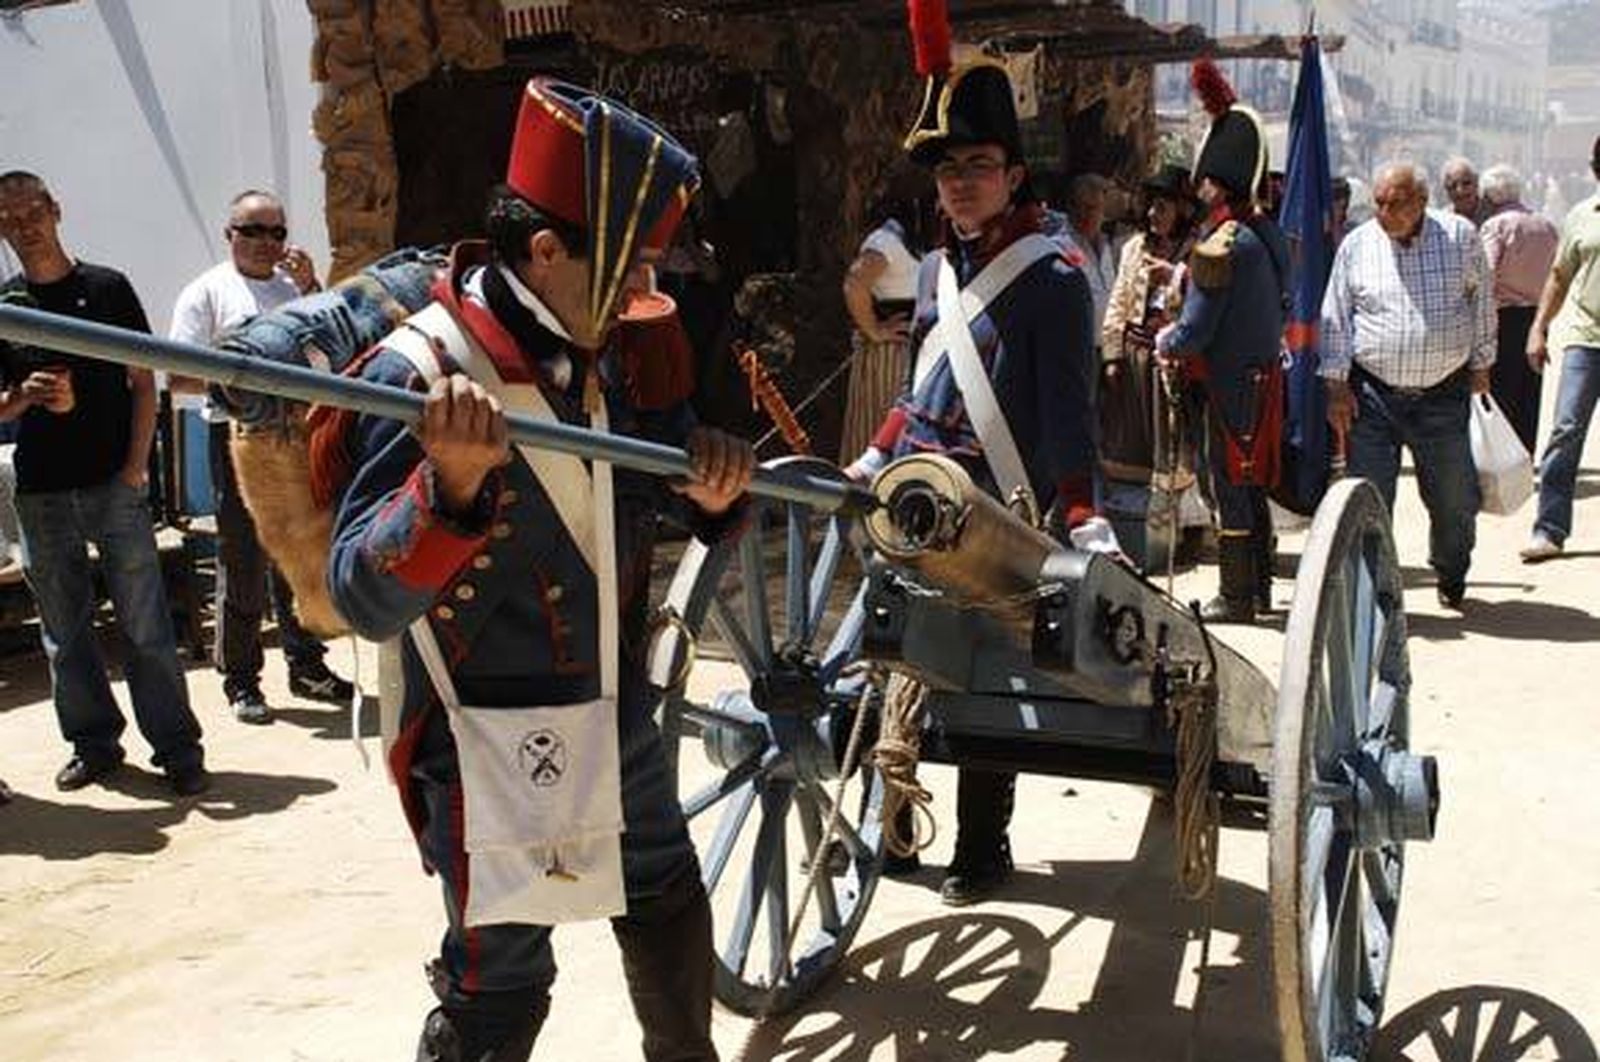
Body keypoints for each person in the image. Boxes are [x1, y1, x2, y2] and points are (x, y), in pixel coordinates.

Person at [324, 80, 751, 1061]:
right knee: (500, 990)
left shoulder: (619, 353)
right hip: (482, 740)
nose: (652, 282)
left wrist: (714, 496)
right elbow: (361, 596)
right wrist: (450, 489)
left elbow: (666, 477)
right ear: (548, 250)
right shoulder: (419, 371)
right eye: (633, 261)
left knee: (668, 905)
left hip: (614, 709)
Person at [848, 49, 1102, 906]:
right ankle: (890, 827)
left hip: (1000, 507)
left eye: (978, 167)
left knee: (987, 677)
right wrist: (876, 452)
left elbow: (1071, 414)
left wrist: (1083, 512)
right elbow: (923, 386)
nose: (960, 184)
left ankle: (983, 846)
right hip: (916, 495)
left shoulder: (1055, 281)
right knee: (887, 657)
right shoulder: (936, 269)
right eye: (949, 170)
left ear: (1015, 173)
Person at [0, 171, 207, 795]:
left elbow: (143, 381)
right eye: (8, 218)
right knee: (65, 630)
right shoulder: (8, 307)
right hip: (40, 490)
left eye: (31, 210)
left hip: (112, 483)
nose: (23, 224)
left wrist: (135, 467)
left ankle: (176, 747)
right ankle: (94, 745)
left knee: (146, 625)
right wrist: (20, 399)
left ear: (55, 209)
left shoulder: (107, 287)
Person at [169, 190, 354, 724]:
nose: (265, 243)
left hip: (298, 436)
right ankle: (242, 680)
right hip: (240, 439)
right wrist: (250, 384)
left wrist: (314, 290)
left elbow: (333, 354)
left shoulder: (292, 288)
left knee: (301, 555)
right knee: (243, 559)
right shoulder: (206, 293)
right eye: (253, 231)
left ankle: (307, 666)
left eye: (276, 232)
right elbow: (176, 374)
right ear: (230, 234)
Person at [1320, 161, 1496, 608]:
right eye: (1378, 203)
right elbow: (1335, 316)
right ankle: (1378, 593)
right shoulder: (1357, 246)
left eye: (1394, 203)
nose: (1384, 212)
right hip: (1373, 397)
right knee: (1369, 500)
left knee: (1454, 499)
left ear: (1420, 201)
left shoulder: (1459, 237)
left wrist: (1482, 364)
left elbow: (1482, 305)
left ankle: (1451, 569)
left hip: (1443, 395)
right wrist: (1336, 385)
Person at [1155, 60, 1290, 624]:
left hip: (1229, 379)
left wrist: (1167, 336)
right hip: (1260, 374)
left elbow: (1196, 331)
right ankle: (1255, 589)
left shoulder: (1222, 244)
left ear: (1217, 181)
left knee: (1227, 482)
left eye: (1205, 179)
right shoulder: (1269, 234)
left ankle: (1236, 598)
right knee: (1249, 483)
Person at [1099, 164, 1196, 566]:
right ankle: (1135, 527)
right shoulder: (1134, 247)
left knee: (1175, 445)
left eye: (1163, 207)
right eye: (1151, 206)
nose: (1155, 215)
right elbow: (1119, 299)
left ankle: (1186, 529)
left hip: (1175, 361)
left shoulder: (1196, 249)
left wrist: (1174, 279)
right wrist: (1112, 354)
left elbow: (1203, 302)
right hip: (1135, 358)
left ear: (1181, 210)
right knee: (1129, 443)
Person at [1522, 136, 1600, 563]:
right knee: (1565, 431)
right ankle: (1549, 529)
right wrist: (1539, 328)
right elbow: (1559, 276)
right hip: (1587, 341)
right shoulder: (1581, 217)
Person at [841, 186, 927, 459]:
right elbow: (855, 282)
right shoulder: (887, 240)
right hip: (890, 353)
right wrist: (875, 330)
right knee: (877, 427)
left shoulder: (919, 243)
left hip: (918, 348)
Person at [1479, 164, 1559, 454]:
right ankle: (1526, 454)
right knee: (1529, 390)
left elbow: (1486, 273)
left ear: (1489, 196)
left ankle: (1503, 458)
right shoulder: (1546, 225)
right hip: (1538, 318)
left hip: (1504, 318)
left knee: (1501, 391)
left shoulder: (1495, 226)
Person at [1061, 172, 1117, 343]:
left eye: (1093, 207)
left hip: (1107, 348)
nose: (1085, 214)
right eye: (1080, 206)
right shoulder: (1059, 248)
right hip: (1076, 348)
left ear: (1103, 210)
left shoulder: (1107, 247)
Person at [1442, 156, 1484, 225]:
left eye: (1466, 183)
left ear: (1476, 183)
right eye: (1453, 186)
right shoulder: (1444, 220)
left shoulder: (1495, 213)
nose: (1460, 191)